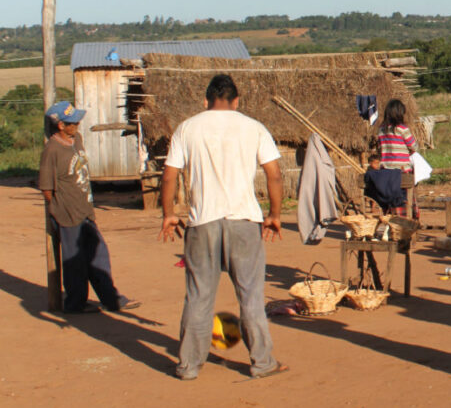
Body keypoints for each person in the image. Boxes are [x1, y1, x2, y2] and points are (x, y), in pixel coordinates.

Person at [158, 74, 288, 381]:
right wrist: (275, 214)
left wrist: (168, 213)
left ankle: (189, 366)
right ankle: (262, 362)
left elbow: (169, 176)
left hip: (202, 222)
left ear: (205, 101)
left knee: (199, 296)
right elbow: (274, 175)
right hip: (243, 221)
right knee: (250, 296)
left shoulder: (187, 128)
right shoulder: (253, 127)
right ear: (236, 101)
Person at [38, 101, 140, 314]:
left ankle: (111, 299)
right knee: (75, 261)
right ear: (60, 126)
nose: (77, 124)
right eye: (72, 122)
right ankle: (76, 303)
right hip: (67, 213)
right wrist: (59, 209)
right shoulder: (52, 150)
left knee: (98, 253)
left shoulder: (77, 140)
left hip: (84, 210)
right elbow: (47, 188)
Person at [378, 99, 418, 172]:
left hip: (385, 167)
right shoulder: (402, 129)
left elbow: (380, 147)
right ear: (399, 114)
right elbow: (413, 146)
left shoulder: (381, 129)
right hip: (402, 168)